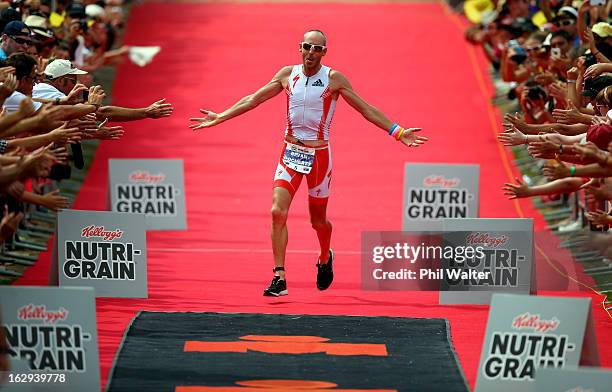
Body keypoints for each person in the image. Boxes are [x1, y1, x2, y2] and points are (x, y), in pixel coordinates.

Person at [190, 29, 427, 297]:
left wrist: (397, 132)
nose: (311, 53)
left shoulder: (333, 79)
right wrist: (220, 116)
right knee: (277, 211)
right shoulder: (286, 75)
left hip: (319, 158)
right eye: (307, 47)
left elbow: (366, 108)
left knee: (318, 221)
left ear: (324, 52)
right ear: (299, 48)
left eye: (317, 48)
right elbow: (253, 99)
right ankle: (279, 277)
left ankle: (325, 254)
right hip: (290, 152)